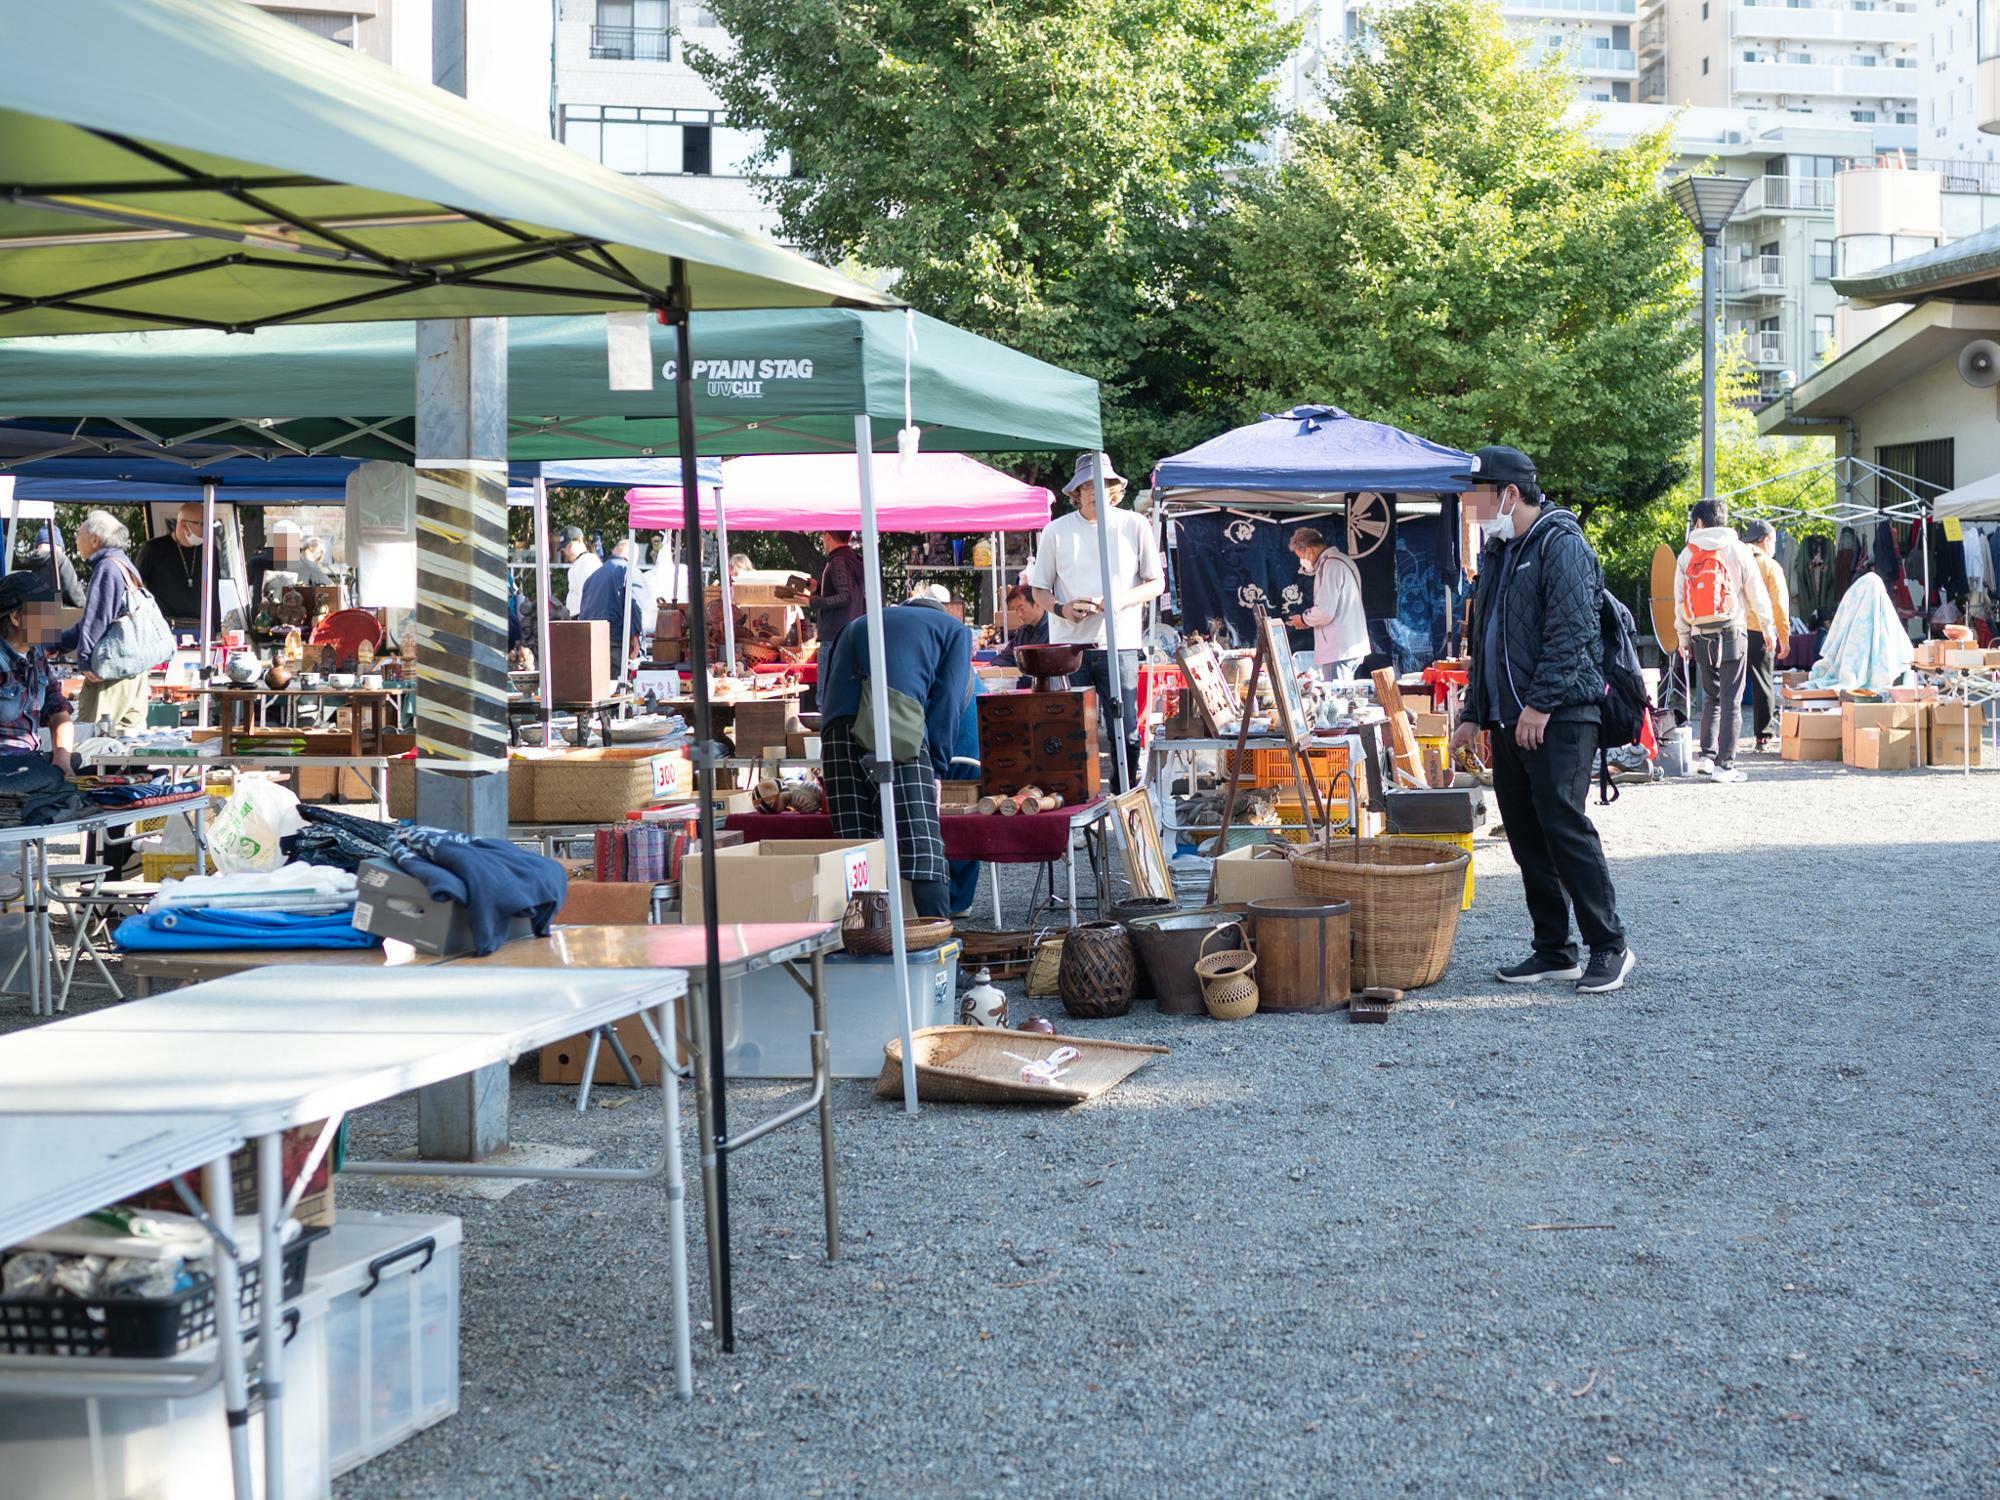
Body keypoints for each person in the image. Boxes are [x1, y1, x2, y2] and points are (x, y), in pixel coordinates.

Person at [1450, 446, 1633, 995]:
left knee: (1564, 826)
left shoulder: (1562, 543)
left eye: (1477, 499)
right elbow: (1484, 641)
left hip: (1562, 715)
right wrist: (1472, 713)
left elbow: (1573, 632)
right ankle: (1553, 948)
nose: (1471, 510)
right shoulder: (1503, 551)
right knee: (1527, 834)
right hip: (1511, 720)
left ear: (1509, 493)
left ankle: (1610, 946)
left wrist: (1541, 704)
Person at [817, 602, 972, 919]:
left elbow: (826, 690)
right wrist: (938, 768)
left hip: (835, 729)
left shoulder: (857, 622)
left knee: (856, 849)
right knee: (922, 843)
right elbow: (948, 702)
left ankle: (864, 941)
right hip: (893, 727)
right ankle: (935, 941)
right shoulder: (954, 630)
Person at [1024, 452, 1164, 785]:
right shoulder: (1056, 531)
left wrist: (1120, 600)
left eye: (1102, 484)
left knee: (1126, 730)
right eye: (1087, 486)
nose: (1094, 492)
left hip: (1121, 641)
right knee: (1067, 729)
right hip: (1068, 645)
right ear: (1076, 492)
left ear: (1114, 489)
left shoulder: (1135, 524)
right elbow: (1038, 589)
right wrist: (1062, 609)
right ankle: (1072, 793)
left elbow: (1156, 583)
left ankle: (1124, 795)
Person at [1674, 497, 1772, 783]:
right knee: (1732, 699)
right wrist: (1768, 627)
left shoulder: (1687, 554)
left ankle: (1706, 756)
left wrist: (1683, 637)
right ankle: (1725, 766)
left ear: (1700, 522)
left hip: (1700, 635)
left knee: (1711, 697)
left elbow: (1680, 601)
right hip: (1732, 632)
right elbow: (1757, 593)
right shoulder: (1738, 549)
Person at [59, 511, 153, 733]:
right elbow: (93, 621)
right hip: (132, 667)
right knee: (127, 739)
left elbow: (97, 621)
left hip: (110, 671)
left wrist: (85, 661)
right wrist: (56, 643)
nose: (75, 538)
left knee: (94, 740)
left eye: (79, 532)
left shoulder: (107, 568)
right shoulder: (123, 564)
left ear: (94, 539)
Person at [0, 572, 77, 772]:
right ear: (16, 618)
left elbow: (58, 712)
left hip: (31, 762)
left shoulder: (37, 655)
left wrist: (62, 760)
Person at [1283, 527, 1368, 681]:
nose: (1301, 561)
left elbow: (1325, 612)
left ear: (1309, 551)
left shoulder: (1330, 565)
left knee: (1336, 699)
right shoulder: (1342, 560)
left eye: (1299, 555)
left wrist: (1303, 620)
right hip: (1349, 645)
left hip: (1338, 648)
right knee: (1345, 697)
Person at [1740, 519, 1792, 753]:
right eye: (1773, 541)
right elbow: (1780, 604)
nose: (1774, 546)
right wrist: (1785, 637)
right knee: (1763, 682)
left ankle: (1721, 737)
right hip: (1762, 631)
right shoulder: (1770, 566)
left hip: (1734, 629)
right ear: (1764, 540)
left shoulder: (1735, 559)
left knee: (1730, 683)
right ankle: (1763, 736)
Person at [135, 501, 217, 628]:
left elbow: (214, 592)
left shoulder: (210, 550)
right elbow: (134, 587)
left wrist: (216, 629)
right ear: (184, 525)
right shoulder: (153, 548)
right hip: (163, 627)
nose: (207, 530)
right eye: (202, 524)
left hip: (201, 627)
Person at [575, 547, 645, 659]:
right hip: (616, 644)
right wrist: (636, 638)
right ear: (633, 556)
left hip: (592, 644)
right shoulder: (629, 571)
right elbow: (635, 607)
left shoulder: (592, 577)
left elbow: (583, 611)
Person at [811, 529, 867, 646]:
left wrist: (812, 602)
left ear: (827, 535)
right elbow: (848, 592)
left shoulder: (838, 560)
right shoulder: (854, 559)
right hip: (849, 630)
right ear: (849, 537)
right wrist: (818, 588)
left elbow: (846, 596)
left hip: (834, 635)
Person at [13, 525, 87, 609]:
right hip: (56, 618)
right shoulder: (60, 560)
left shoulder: (24, 563)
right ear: (58, 547)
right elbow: (76, 597)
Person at [992, 584, 1050, 667]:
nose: (1019, 614)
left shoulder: (1053, 630)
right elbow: (1005, 657)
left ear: (1037, 603)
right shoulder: (1022, 632)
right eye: (1016, 610)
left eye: (1021, 608)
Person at [560, 526, 600, 618]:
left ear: (579, 540)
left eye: (569, 546)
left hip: (583, 617)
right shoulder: (580, 562)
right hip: (578, 617)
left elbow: (589, 596)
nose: (566, 552)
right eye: (564, 549)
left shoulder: (588, 562)